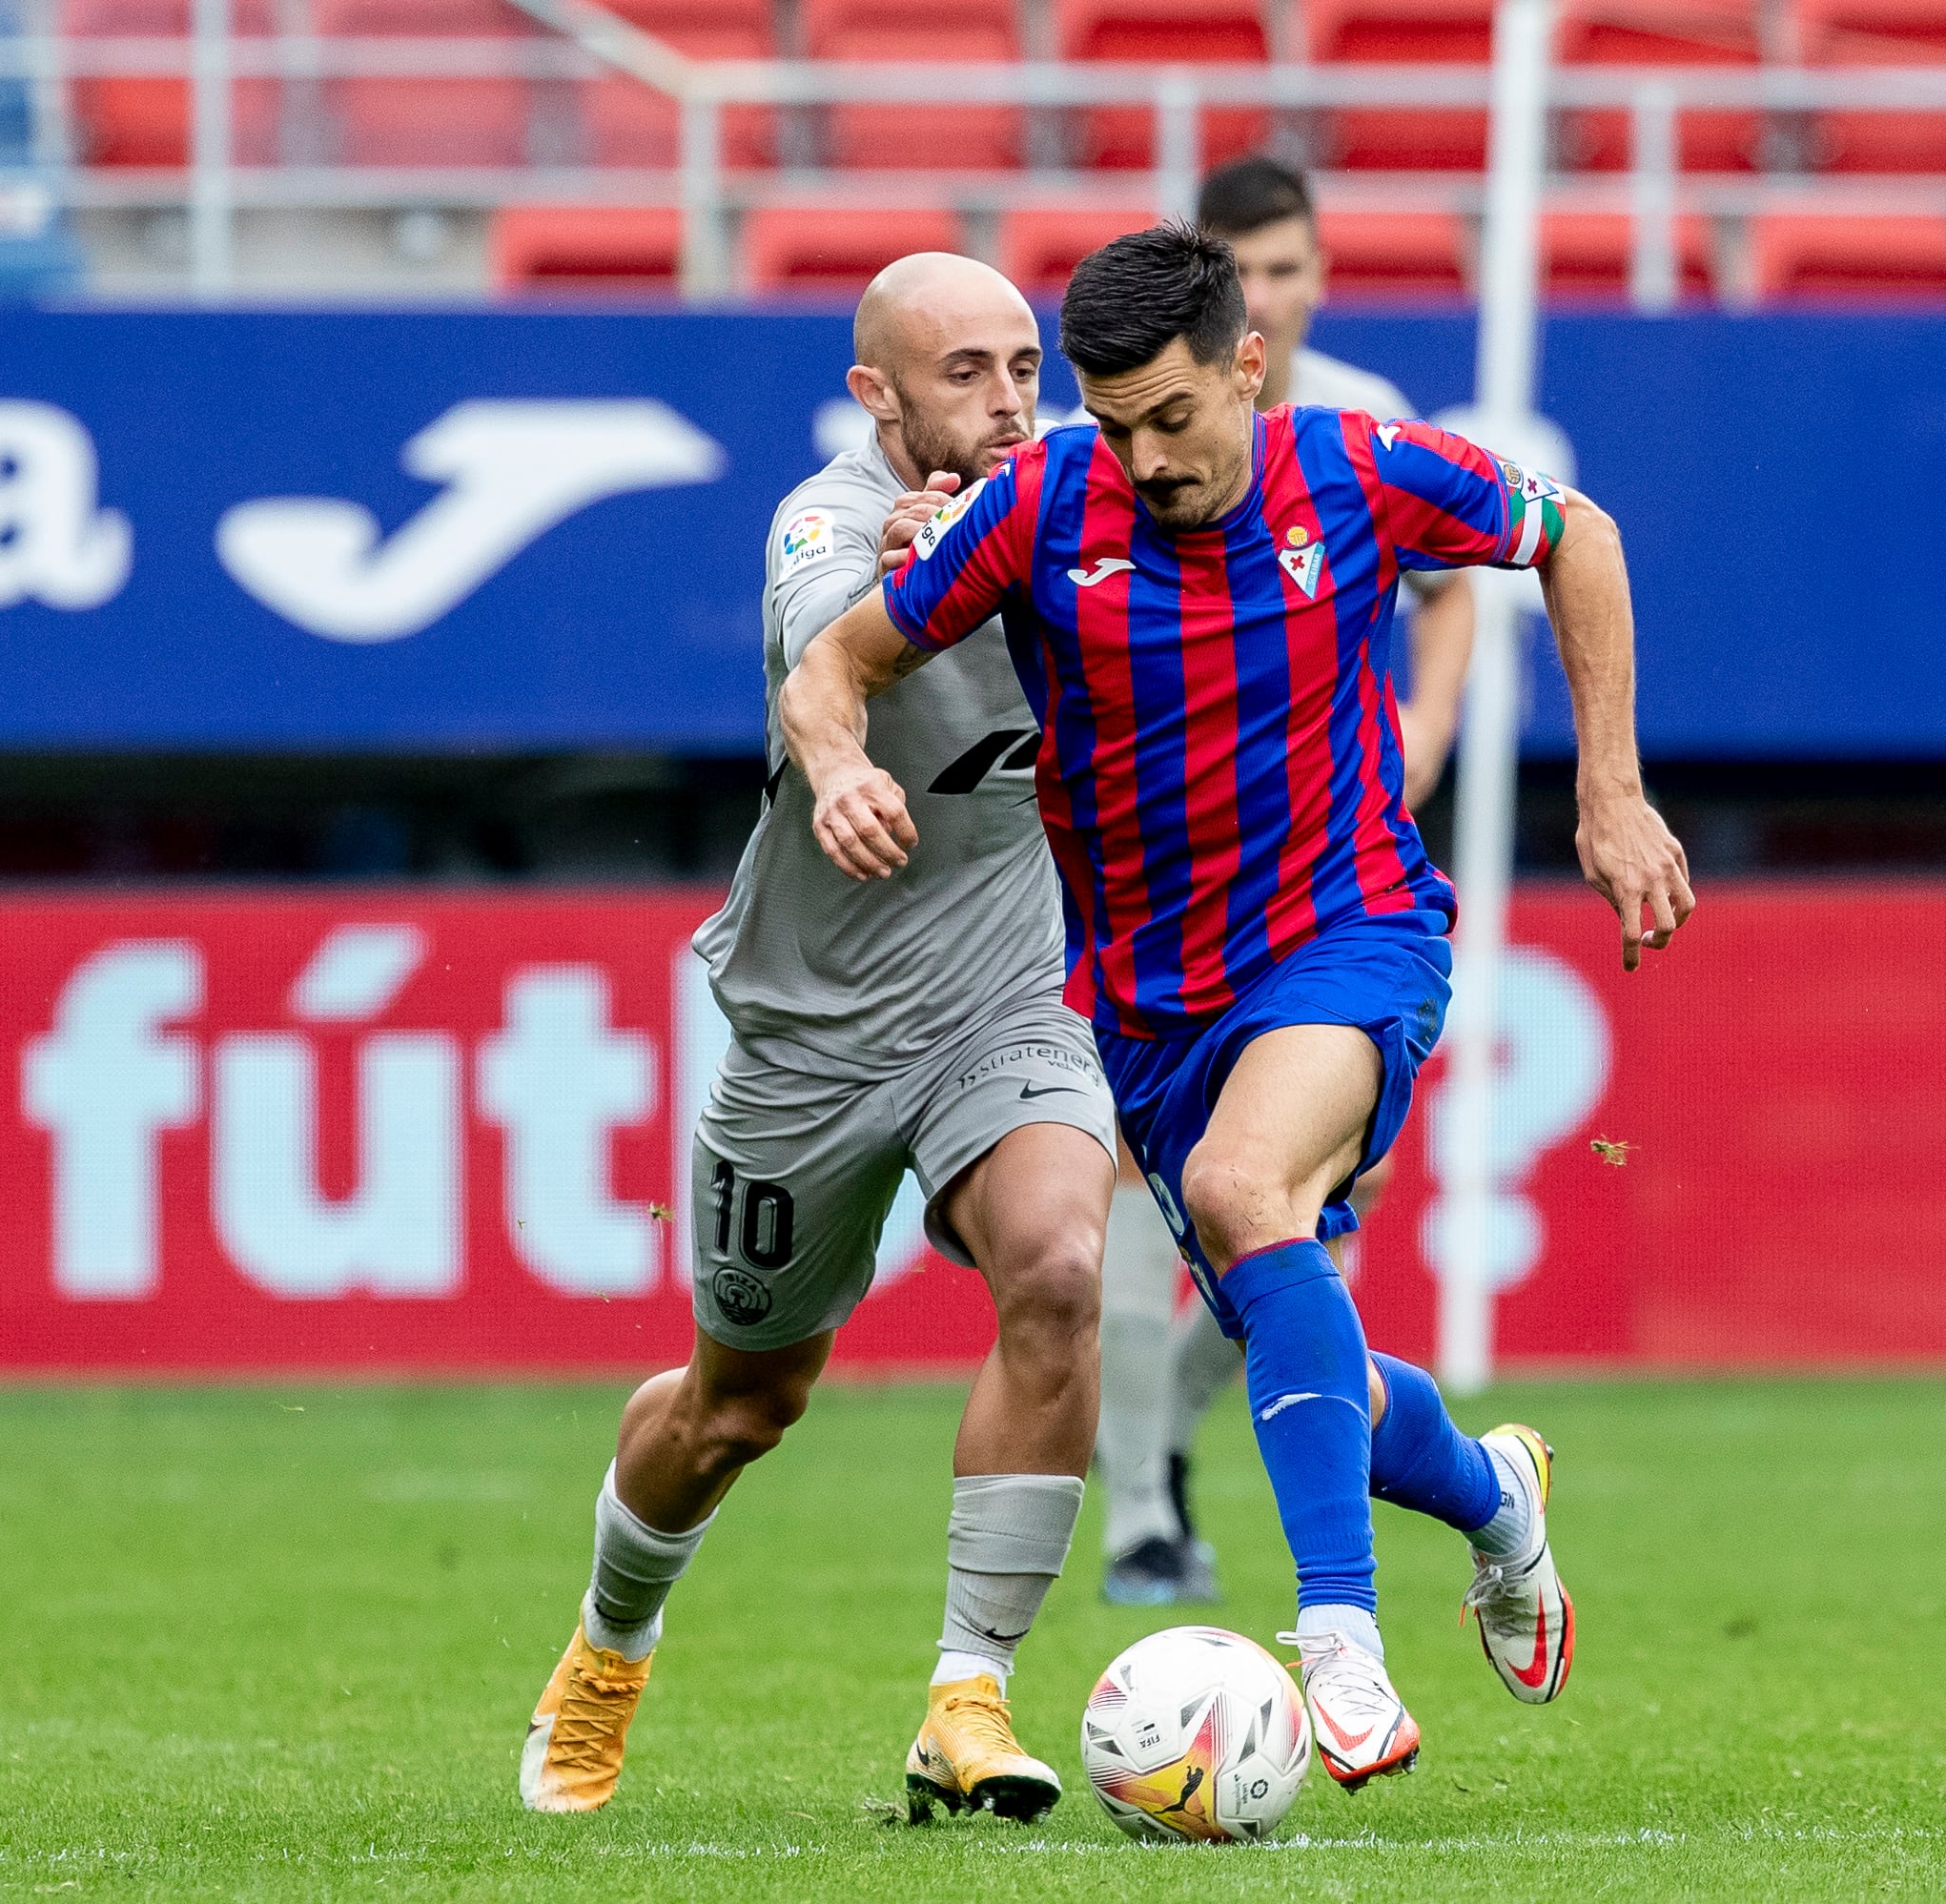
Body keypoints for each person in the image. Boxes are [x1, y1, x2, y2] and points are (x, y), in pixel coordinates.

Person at [780, 225, 1693, 1788]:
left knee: (1237, 1189)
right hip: (1147, 1004)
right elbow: (837, 665)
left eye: (1175, 419)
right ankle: (1489, 1492)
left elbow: (1577, 536)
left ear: (1247, 369)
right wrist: (842, 758)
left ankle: (1337, 1636)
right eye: (1111, 420)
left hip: (1350, 934)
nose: (1144, 458)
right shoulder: (1032, 508)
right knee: (1286, 1301)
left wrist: (1608, 790)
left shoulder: (1358, 468)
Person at [520, 254, 1117, 1827]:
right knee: (736, 1409)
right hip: (813, 1036)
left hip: (1007, 997)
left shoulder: (1081, 499)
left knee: (1059, 1264)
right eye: (967, 375)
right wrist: (843, 759)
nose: (1006, 403)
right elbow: (818, 665)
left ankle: (966, 1695)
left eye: (1023, 369)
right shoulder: (829, 520)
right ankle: (608, 1644)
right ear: (880, 395)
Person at [1095, 154, 1481, 1608]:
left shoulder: (1366, 429)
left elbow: (1458, 594)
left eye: (1294, 263)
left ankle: (1177, 1450)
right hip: (1168, 905)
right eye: (1247, 261)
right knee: (1173, 1196)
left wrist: (1427, 726)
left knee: (1302, 1211)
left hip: (1335, 877)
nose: (1276, 287)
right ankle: (1140, 1505)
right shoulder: (1132, 451)